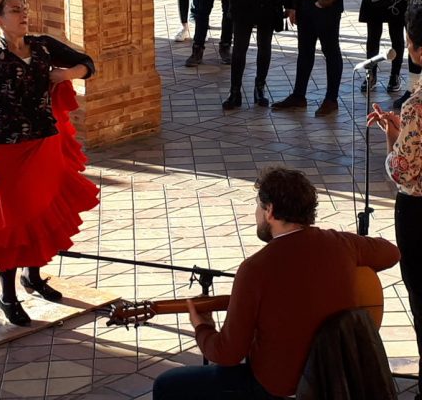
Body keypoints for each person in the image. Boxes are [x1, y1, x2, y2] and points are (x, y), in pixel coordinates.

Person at [152, 166, 400, 400]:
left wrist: (201, 327)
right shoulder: (342, 244)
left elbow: (228, 354)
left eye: (259, 207)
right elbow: (391, 253)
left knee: (167, 385)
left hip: (280, 388)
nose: (256, 214)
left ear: (270, 210)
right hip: (335, 379)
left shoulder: (254, 269)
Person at [0, 0, 100, 326]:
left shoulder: (43, 46)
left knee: (42, 212)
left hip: (46, 144)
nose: (24, 15)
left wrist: (66, 75)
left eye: (25, 9)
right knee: (12, 222)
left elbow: (87, 64)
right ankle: (8, 295)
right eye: (15, 10)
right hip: (10, 149)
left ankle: (33, 277)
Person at [367, 8, 422, 400]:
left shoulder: (417, 106)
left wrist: (394, 142)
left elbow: (403, 172)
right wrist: (403, 135)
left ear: (419, 49)